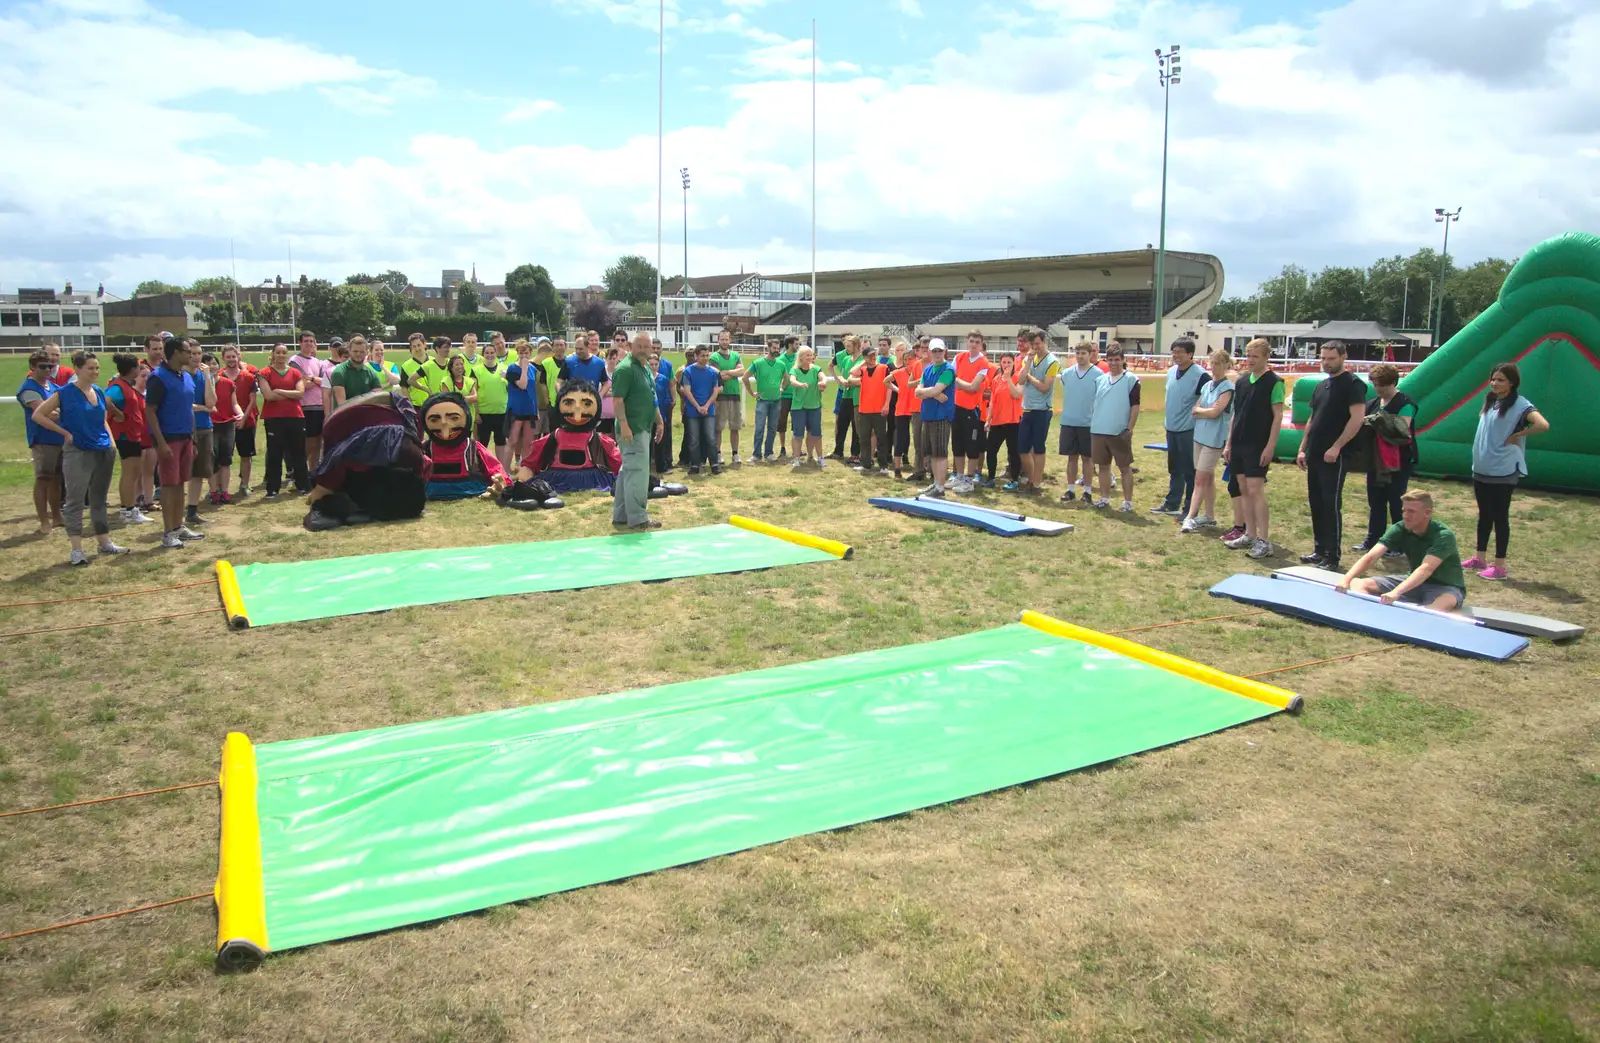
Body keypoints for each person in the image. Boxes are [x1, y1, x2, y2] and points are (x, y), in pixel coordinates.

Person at [28, 352, 128, 564]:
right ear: (78, 369)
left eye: (97, 368)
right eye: (90, 368)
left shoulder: (99, 391)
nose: (95, 372)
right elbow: (38, 415)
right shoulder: (64, 393)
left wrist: (111, 443)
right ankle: (77, 549)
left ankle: (104, 542)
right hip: (78, 452)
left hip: (103, 450)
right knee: (75, 500)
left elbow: (103, 420)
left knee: (99, 499)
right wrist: (65, 433)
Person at [1463, 362, 1550, 581]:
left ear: (1512, 383)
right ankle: (1479, 557)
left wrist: (1518, 435)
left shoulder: (1520, 405)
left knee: (1500, 516)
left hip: (1503, 470)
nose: (1495, 383)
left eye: (1500, 379)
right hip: (1482, 467)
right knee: (1484, 515)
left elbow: (1543, 425)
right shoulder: (1491, 401)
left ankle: (1499, 566)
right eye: (1493, 379)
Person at [1295, 339, 1368, 570]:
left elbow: (1357, 419)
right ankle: (1319, 550)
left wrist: (1336, 446)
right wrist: (1302, 447)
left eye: (1331, 359)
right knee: (1315, 502)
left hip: (1335, 455)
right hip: (1315, 452)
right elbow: (1312, 419)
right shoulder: (1321, 386)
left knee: (1330, 503)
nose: (1326, 363)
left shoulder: (1353, 384)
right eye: (1323, 358)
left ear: (1343, 357)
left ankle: (1332, 556)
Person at [1337, 490, 1467, 612]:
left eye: (1411, 511)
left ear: (1427, 513)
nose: (1405, 516)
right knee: (1358, 583)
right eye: (1404, 511)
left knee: (1435, 609)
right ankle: (1373, 615)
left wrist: (1396, 592)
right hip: (1413, 581)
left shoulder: (1443, 535)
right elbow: (1371, 556)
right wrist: (1346, 580)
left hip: (1445, 588)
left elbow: (1425, 569)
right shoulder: (1400, 528)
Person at [1222, 338, 1285, 560]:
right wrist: (1229, 443)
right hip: (1239, 442)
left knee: (1256, 489)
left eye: (1255, 356)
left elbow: (1277, 416)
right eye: (1248, 356)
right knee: (1242, 488)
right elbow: (1235, 415)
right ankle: (1249, 533)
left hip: (1258, 444)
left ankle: (1264, 540)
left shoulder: (1274, 382)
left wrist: (1270, 446)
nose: (1250, 360)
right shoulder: (1241, 382)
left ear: (1266, 357)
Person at [1352, 363, 1419, 557]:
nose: (1378, 388)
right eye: (1375, 384)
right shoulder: (1372, 402)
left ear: (1392, 383)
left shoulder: (1405, 404)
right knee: (1376, 502)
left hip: (1398, 462)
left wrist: (1376, 421)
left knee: (1397, 503)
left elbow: (1401, 430)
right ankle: (1374, 540)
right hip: (1376, 461)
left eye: (1382, 385)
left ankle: (1399, 545)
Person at [143, 337, 204, 547]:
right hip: (168, 439)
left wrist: (193, 439)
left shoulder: (186, 377)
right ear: (176, 353)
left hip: (186, 437)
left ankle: (179, 526)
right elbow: (150, 411)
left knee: (180, 484)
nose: (192, 355)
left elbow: (189, 410)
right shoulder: (158, 378)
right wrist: (160, 443)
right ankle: (168, 532)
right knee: (169, 486)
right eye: (188, 351)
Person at [612, 332, 667, 530]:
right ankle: (638, 519)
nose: (644, 350)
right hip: (632, 429)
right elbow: (617, 400)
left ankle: (621, 515)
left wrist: (659, 421)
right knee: (637, 473)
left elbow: (651, 397)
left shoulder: (643, 367)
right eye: (640, 346)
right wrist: (625, 425)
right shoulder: (625, 369)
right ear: (630, 345)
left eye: (647, 347)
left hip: (643, 426)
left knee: (628, 470)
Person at [1179, 348, 1235, 534]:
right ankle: (1209, 516)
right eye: (1212, 363)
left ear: (1227, 365)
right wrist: (1204, 411)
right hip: (1200, 436)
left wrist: (1203, 412)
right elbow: (1198, 408)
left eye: (1218, 363)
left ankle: (1190, 517)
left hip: (1214, 438)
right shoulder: (1207, 386)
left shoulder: (1227, 388)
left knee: (1200, 479)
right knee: (1207, 477)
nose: (1214, 367)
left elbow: (1214, 412)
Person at [1153, 337, 1206, 517]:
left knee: (1190, 470)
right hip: (1172, 428)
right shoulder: (1171, 372)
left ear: (1190, 354)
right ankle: (1171, 503)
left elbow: (1205, 400)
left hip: (1189, 429)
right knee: (1174, 468)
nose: (1175, 355)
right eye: (1173, 351)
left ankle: (1189, 508)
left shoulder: (1201, 375)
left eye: (1180, 352)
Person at [17, 350, 65, 535]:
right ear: (32, 367)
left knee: (57, 479)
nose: (48, 369)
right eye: (43, 366)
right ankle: (44, 521)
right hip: (43, 440)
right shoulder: (29, 389)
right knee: (43, 479)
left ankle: (57, 517)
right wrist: (58, 413)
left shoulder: (52, 387)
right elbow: (47, 413)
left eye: (50, 366)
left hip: (58, 439)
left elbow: (58, 412)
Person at [1088, 342, 1139, 511]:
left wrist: (1129, 428)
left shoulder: (1131, 380)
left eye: (1117, 359)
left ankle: (1128, 502)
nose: (1113, 363)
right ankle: (1104, 498)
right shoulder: (1099, 380)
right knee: (1103, 466)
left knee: (1124, 467)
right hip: (1099, 429)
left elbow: (1135, 406)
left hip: (1119, 431)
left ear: (1123, 360)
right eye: (1110, 360)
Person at [106, 353, 155, 524]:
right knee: (130, 473)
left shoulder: (127, 385)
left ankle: (128, 508)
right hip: (125, 435)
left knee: (132, 473)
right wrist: (118, 415)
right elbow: (105, 400)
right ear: (132, 369)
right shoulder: (118, 386)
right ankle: (128, 510)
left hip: (133, 434)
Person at [259, 342, 310, 499]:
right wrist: (291, 394)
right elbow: (268, 396)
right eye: (278, 352)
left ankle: (303, 485)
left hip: (295, 417)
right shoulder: (264, 372)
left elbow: (300, 393)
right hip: (274, 418)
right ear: (273, 354)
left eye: (284, 352)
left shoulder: (295, 372)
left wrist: (280, 391)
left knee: (298, 453)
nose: (281, 355)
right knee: (275, 453)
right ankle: (273, 488)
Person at [1057, 340, 1102, 502]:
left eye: (1084, 353)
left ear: (1090, 354)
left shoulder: (1098, 375)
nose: (1080, 356)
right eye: (1078, 353)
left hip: (1088, 424)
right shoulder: (1067, 374)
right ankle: (1070, 490)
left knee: (1087, 459)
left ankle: (1088, 492)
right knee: (1071, 458)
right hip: (1069, 421)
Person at [1017, 329, 1059, 496]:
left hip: (1042, 410)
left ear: (1044, 342)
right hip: (1027, 408)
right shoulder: (1029, 359)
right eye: (1032, 344)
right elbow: (1020, 380)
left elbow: (1044, 387)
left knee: (1039, 448)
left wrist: (1030, 378)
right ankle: (1032, 478)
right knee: (1022, 448)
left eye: (1037, 344)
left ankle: (1037, 482)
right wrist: (1027, 361)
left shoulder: (1052, 362)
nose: (1035, 347)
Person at [915, 338, 957, 496]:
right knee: (932, 452)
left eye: (940, 350)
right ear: (929, 352)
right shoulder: (927, 369)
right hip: (928, 415)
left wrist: (929, 392)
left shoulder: (948, 369)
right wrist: (932, 393)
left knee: (940, 453)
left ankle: (940, 486)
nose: (938, 354)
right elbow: (917, 391)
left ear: (944, 351)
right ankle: (935, 483)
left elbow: (929, 391)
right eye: (934, 351)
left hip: (941, 416)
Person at [951, 331, 992, 490]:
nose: (973, 344)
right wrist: (964, 385)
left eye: (977, 342)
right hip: (957, 407)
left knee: (972, 446)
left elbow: (974, 387)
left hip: (973, 411)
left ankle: (969, 481)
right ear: (966, 341)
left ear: (981, 344)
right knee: (957, 445)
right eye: (971, 341)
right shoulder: (959, 358)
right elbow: (951, 382)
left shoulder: (983, 363)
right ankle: (959, 477)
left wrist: (958, 382)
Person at [288, 331, 333, 473]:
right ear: (300, 343)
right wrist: (315, 381)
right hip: (305, 406)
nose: (309, 344)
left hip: (320, 406)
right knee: (308, 443)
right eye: (305, 341)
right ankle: (298, 473)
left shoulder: (317, 362)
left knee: (318, 443)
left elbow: (324, 382)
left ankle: (312, 472)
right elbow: (301, 383)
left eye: (311, 341)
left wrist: (311, 378)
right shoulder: (294, 360)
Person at [184, 346, 217, 529]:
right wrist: (203, 407)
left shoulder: (205, 376)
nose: (196, 357)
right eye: (192, 353)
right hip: (186, 429)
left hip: (205, 427)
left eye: (199, 353)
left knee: (199, 472)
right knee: (183, 472)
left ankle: (192, 511)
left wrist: (206, 377)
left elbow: (212, 402)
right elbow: (185, 404)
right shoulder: (181, 375)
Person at [221, 347, 259, 497]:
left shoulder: (248, 377)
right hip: (224, 422)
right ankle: (221, 487)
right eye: (228, 357)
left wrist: (243, 418)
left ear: (238, 357)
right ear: (223, 358)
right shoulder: (218, 376)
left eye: (233, 356)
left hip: (246, 421)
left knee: (246, 455)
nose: (231, 359)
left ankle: (245, 484)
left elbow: (253, 401)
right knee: (224, 457)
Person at [208, 351, 244, 506]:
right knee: (212, 461)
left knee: (225, 460)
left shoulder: (228, 383)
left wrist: (240, 414)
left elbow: (234, 403)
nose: (212, 366)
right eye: (208, 364)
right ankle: (214, 491)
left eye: (214, 363)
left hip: (227, 425)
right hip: (210, 426)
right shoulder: (200, 384)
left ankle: (224, 491)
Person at [783, 346, 829, 468]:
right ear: (801, 357)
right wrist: (800, 384)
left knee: (816, 434)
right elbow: (792, 381)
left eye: (811, 355)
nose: (810, 357)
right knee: (798, 434)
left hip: (814, 406)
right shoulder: (795, 370)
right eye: (807, 355)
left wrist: (823, 382)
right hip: (799, 407)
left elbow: (823, 377)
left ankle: (818, 457)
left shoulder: (816, 369)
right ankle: (796, 458)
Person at [471, 334, 512, 471]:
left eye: (492, 352)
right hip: (484, 412)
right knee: (483, 442)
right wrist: (476, 413)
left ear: (496, 353)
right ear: (483, 355)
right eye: (487, 353)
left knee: (501, 441)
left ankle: (500, 468)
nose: (490, 355)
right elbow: (474, 392)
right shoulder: (476, 370)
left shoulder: (504, 368)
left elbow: (510, 387)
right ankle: (483, 468)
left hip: (501, 411)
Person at [679, 345, 722, 475]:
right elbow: (687, 391)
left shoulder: (713, 372)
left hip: (709, 410)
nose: (705, 358)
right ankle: (695, 465)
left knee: (711, 438)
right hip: (692, 411)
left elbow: (716, 392)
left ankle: (714, 464)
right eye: (702, 355)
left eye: (707, 355)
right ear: (696, 356)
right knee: (694, 439)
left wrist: (707, 406)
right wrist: (698, 406)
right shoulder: (688, 372)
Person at [984, 349, 1023, 489]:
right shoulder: (995, 379)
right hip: (997, 421)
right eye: (1004, 362)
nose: (1006, 365)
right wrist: (989, 419)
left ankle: (1014, 480)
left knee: (1013, 451)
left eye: (1009, 362)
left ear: (1014, 364)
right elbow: (993, 400)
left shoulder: (1018, 377)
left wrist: (1008, 380)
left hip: (1013, 421)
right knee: (991, 449)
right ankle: (991, 477)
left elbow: (1017, 394)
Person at [745, 339, 787, 463]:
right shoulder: (758, 363)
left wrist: (782, 388)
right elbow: (745, 377)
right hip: (762, 400)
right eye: (774, 348)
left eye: (778, 348)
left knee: (772, 428)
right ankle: (756, 454)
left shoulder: (781, 364)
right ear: (768, 348)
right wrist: (752, 393)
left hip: (776, 401)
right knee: (759, 428)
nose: (776, 350)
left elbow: (786, 378)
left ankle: (769, 453)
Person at [854, 345, 893, 476]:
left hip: (879, 409)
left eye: (874, 354)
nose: (873, 357)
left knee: (881, 438)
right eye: (869, 355)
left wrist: (886, 404)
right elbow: (853, 372)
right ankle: (865, 463)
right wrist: (863, 362)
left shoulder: (884, 368)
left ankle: (883, 465)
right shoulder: (863, 370)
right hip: (864, 409)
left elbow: (889, 388)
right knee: (864, 438)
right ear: (865, 357)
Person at [708, 331, 746, 465]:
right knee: (718, 427)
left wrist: (727, 372)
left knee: (735, 427)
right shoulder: (714, 357)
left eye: (726, 339)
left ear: (730, 340)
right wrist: (733, 373)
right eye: (722, 339)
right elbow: (717, 376)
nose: (724, 342)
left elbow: (742, 371)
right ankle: (718, 453)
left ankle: (735, 454)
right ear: (718, 341)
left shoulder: (736, 355)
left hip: (734, 394)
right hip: (720, 396)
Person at [504, 338, 540, 464]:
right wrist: (524, 368)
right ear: (517, 353)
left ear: (530, 353)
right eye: (521, 352)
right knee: (513, 441)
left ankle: (523, 469)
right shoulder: (512, 368)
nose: (524, 355)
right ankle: (506, 471)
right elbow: (523, 385)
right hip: (516, 409)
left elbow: (532, 389)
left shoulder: (533, 369)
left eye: (526, 353)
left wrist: (536, 411)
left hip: (529, 409)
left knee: (528, 443)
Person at [888, 340, 920, 481]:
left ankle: (920, 467)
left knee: (918, 438)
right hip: (901, 409)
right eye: (906, 359)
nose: (908, 361)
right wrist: (897, 389)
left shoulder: (920, 372)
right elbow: (886, 381)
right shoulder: (899, 372)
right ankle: (897, 468)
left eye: (910, 359)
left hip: (916, 408)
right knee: (901, 438)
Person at [829, 335, 862, 462]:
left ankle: (855, 454)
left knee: (856, 426)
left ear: (857, 346)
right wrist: (841, 381)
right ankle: (838, 451)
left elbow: (864, 379)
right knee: (841, 424)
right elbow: (843, 375)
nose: (846, 349)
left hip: (856, 397)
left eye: (849, 346)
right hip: (845, 395)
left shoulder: (861, 361)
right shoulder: (847, 359)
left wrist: (851, 382)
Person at [330, 335, 385, 411]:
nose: (358, 354)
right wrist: (366, 402)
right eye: (355, 351)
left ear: (366, 352)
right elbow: (342, 404)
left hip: (366, 418)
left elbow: (378, 400)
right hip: (344, 418)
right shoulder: (339, 372)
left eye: (362, 351)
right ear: (349, 351)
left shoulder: (371, 374)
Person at [650, 351, 676, 475]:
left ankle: (662, 467)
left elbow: (666, 395)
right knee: (647, 442)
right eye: (651, 364)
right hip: (647, 415)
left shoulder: (663, 379)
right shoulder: (644, 378)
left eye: (656, 364)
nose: (653, 366)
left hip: (660, 414)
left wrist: (666, 409)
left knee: (660, 441)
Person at [775, 336, 799, 459]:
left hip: (796, 395)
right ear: (790, 345)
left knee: (797, 423)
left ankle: (797, 449)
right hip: (783, 396)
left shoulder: (799, 358)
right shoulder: (780, 360)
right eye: (796, 344)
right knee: (782, 423)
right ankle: (783, 447)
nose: (798, 346)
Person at [399, 333, 430, 407]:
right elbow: (404, 387)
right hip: (417, 406)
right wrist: (409, 405)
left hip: (434, 404)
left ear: (424, 345)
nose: (417, 348)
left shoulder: (434, 362)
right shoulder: (406, 366)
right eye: (414, 346)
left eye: (419, 345)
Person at [597, 344, 621, 435]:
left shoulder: (620, 373)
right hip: (603, 415)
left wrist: (609, 391)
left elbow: (622, 392)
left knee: (616, 440)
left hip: (617, 415)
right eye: (610, 358)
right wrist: (613, 391)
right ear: (606, 359)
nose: (612, 361)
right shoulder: (602, 373)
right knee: (603, 440)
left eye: (614, 358)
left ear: (617, 358)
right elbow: (601, 391)